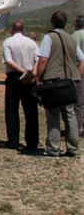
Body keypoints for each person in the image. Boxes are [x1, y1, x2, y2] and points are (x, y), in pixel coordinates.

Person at [36, 11, 84, 157]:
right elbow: (82, 60)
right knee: (70, 115)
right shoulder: (71, 38)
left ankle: (53, 148)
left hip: (53, 81)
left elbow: (43, 59)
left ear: (52, 22)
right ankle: (73, 148)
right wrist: (77, 76)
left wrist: (38, 77)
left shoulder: (49, 37)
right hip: (69, 82)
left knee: (53, 114)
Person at [1, 21, 39, 150]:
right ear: (23, 30)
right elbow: (38, 60)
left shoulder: (8, 42)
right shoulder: (32, 43)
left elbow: (9, 62)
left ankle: (13, 141)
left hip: (14, 77)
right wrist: (31, 73)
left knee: (12, 110)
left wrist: (22, 72)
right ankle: (32, 142)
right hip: (29, 78)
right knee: (31, 111)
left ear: (12, 30)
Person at [72, 15, 84, 137]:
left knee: (78, 102)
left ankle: (77, 128)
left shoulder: (76, 35)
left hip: (80, 70)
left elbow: (72, 52)